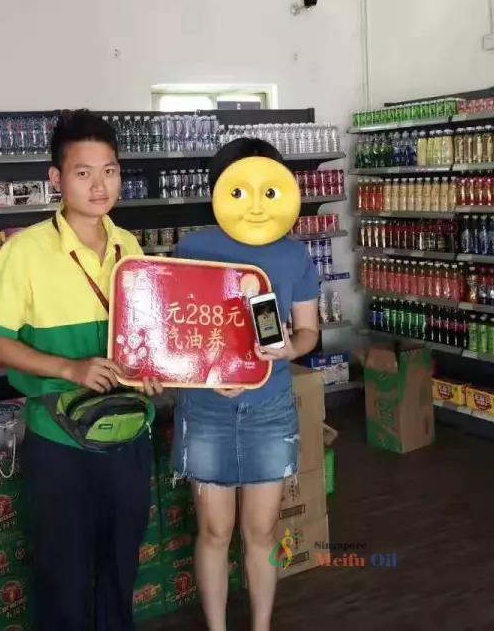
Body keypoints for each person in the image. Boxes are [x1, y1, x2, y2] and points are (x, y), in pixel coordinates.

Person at [0, 110, 162, 631]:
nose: (100, 186)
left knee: (120, 566)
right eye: (84, 173)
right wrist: (69, 368)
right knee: (64, 573)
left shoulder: (129, 246)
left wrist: (149, 369)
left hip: (129, 433)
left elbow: (140, 336)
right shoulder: (25, 251)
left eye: (110, 171)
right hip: (60, 440)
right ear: (56, 178)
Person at [171, 138, 320, 631]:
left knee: (262, 531)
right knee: (215, 531)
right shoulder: (193, 248)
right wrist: (210, 374)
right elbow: (178, 329)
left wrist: (289, 349)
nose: (254, 199)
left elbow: (308, 331)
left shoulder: (295, 255)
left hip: (270, 408)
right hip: (206, 409)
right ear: (219, 188)